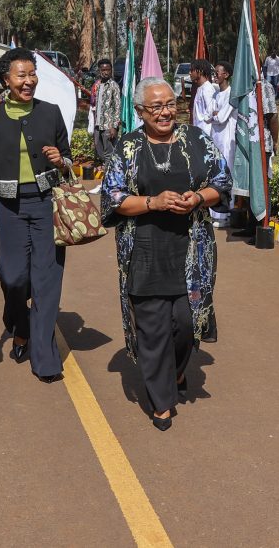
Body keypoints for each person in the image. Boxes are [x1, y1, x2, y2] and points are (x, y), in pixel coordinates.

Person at [100, 77, 232, 431]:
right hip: (143, 252)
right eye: (156, 106)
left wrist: (198, 198)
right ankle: (161, 402)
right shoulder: (128, 148)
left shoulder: (197, 140)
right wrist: (152, 202)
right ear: (140, 112)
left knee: (186, 325)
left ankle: (174, 370)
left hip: (192, 251)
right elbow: (112, 196)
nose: (165, 112)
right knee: (154, 329)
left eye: (170, 104)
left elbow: (222, 181)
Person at [0, 47, 71, 383]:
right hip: (10, 210)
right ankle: (19, 321)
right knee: (12, 275)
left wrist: (62, 161)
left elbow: (70, 162)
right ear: (5, 80)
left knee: (46, 281)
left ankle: (44, 360)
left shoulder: (51, 113)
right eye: (21, 75)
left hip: (47, 205)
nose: (29, 81)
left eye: (32, 74)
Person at [209, 61, 237, 227]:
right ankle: (217, 212)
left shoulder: (231, 94)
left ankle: (227, 212)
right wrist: (214, 115)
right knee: (216, 174)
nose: (215, 75)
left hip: (227, 140)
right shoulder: (216, 94)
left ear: (226, 74)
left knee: (226, 174)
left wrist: (215, 115)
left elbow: (221, 117)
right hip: (215, 139)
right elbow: (208, 115)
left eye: (218, 72)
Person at [91, 58, 122, 160]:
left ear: (111, 70)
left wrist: (114, 127)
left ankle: (109, 174)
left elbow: (117, 107)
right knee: (98, 149)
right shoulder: (98, 85)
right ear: (99, 70)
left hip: (108, 125)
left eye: (108, 70)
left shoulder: (114, 86)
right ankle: (105, 169)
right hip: (98, 124)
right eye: (103, 70)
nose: (106, 72)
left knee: (109, 153)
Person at [189, 59, 217, 137]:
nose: (189, 73)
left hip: (205, 134)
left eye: (192, 70)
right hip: (198, 132)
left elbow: (211, 113)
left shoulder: (207, 89)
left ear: (200, 71)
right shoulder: (200, 88)